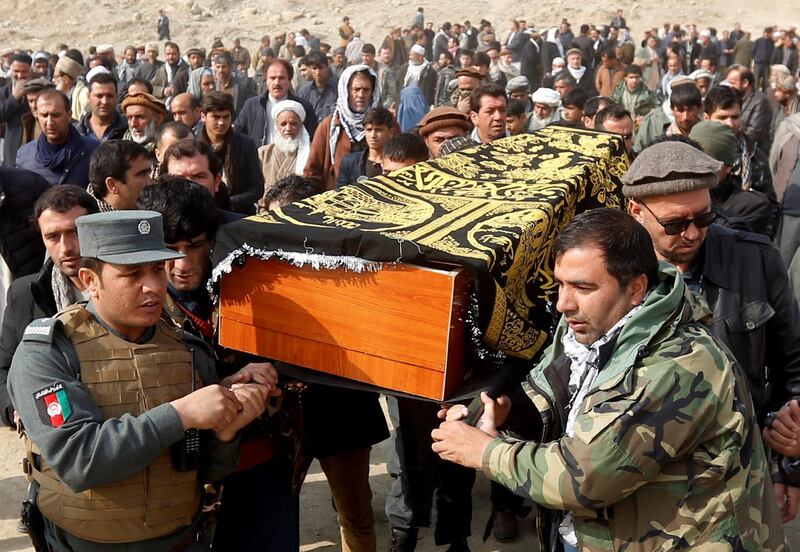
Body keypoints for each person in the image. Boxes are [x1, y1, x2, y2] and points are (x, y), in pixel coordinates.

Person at [432, 207, 785, 551]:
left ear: (635, 289)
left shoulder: (678, 364)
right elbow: (558, 392)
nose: (563, 304)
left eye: (583, 287)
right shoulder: (591, 329)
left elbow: (584, 477)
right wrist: (509, 412)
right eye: (561, 285)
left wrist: (485, 451)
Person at [8, 209, 274, 550]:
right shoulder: (47, 353)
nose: (152, 286)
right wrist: (182, 413)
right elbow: (80, 461)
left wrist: (227, 423)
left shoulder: (187, 348)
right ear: (90, 280)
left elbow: (205, 470)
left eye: (156, 269)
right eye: (131, 273)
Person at [625, 142, 800, 519]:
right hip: (640, 487)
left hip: (737, 478)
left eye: (703, 218)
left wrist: (788, 464)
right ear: (636, 211)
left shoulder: (755, 259)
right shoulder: (608, 271)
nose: (691, 234)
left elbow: (794, 364)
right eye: (674, 224)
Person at [0, 185, 98, 427]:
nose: (66, 247)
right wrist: (20, 409)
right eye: (53, 237)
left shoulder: (125, 285)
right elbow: (3, 373)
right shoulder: (26, 294)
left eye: (75, 232)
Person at [688, 120, 772, 235]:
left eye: (709, 165)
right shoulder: (677, 196)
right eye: (693, 162)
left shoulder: (751, 206)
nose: (699, 169)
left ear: (728, 167)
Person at [305, 65, 381, 190]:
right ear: (346, 91)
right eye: (356, 89)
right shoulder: (329, 126)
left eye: (366, 90)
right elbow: (313, 172)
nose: (361, 95)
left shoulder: (386, 124)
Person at [16, 89, 99, 186]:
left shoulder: (93, 150)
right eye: (44, 115)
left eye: (56, 115)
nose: (50, 122)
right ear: (37, 116)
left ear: (69, 115)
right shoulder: (25, 155)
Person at [199, 91, 263, 214]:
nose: (221, 122)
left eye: (226, 117)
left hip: (239, 214)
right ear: (203, 116)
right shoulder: (194, 146)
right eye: (216, 117)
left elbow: (257, 188)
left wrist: (228, 203)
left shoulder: (246, 144)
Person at [234, 59, 317, 147]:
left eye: (281, 78)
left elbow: (313, 138)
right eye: (272, 78)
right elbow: (238, 134)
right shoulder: (252, 105)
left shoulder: (303, 107)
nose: (277, 83)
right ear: (266, 80)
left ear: (289, 80)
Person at [258, 100, 312, 205]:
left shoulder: (310, 153)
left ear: (301, 126)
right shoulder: (263, 153)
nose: (288, 128)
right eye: (283, 124)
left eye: (293, 124)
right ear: (276, 126)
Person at [86, 140, 152, 212]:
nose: (151, 181)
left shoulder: (153, 211)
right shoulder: (82, 219)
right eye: (142, 174)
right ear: (112, 185)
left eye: (149, 172)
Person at [337, 107, 394, 186]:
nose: (373, 135)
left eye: (378, 130)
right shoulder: (350, 162)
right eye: (369, 130)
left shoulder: (397, 163)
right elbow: (340, 194)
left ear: (390, 132)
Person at [726, 65, 772, 153]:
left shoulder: (760, 101)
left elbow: (754, 133)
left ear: (745, 83)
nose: (729, 86)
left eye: (732, 83)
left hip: (753, 155)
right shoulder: (733, 99)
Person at [0, 53, 33, 166]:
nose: (19, 75)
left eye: (24, 72)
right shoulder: (3, 92)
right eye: (16, 71)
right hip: (11, 148)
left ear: (30, 71)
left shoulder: (38, 91)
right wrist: (14, 98)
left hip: (32, 144)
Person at [75, 73, 128, 141]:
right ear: (88, 97)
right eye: (99, 96)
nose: (104, 101)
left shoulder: (129, 129)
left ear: (116, 97)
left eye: (109, 96)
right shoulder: (74, 133)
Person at [298, 51, 338, 121]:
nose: (318, 72)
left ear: (327, 67)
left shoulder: (338, 89)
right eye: (314, 68)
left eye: (321, 68)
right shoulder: (304, 92)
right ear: (310, 69)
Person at [213, 51, 254, 116]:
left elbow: (251, 104)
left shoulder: (242, 84)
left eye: (224, 67)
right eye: (218, 67)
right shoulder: (213, 85)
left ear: (230, 67)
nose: (220, 70)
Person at [53, 54, 88, 122]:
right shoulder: (59, 96)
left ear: (65, 79)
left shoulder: (84, 95)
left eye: (55, 77)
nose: (53, 80)